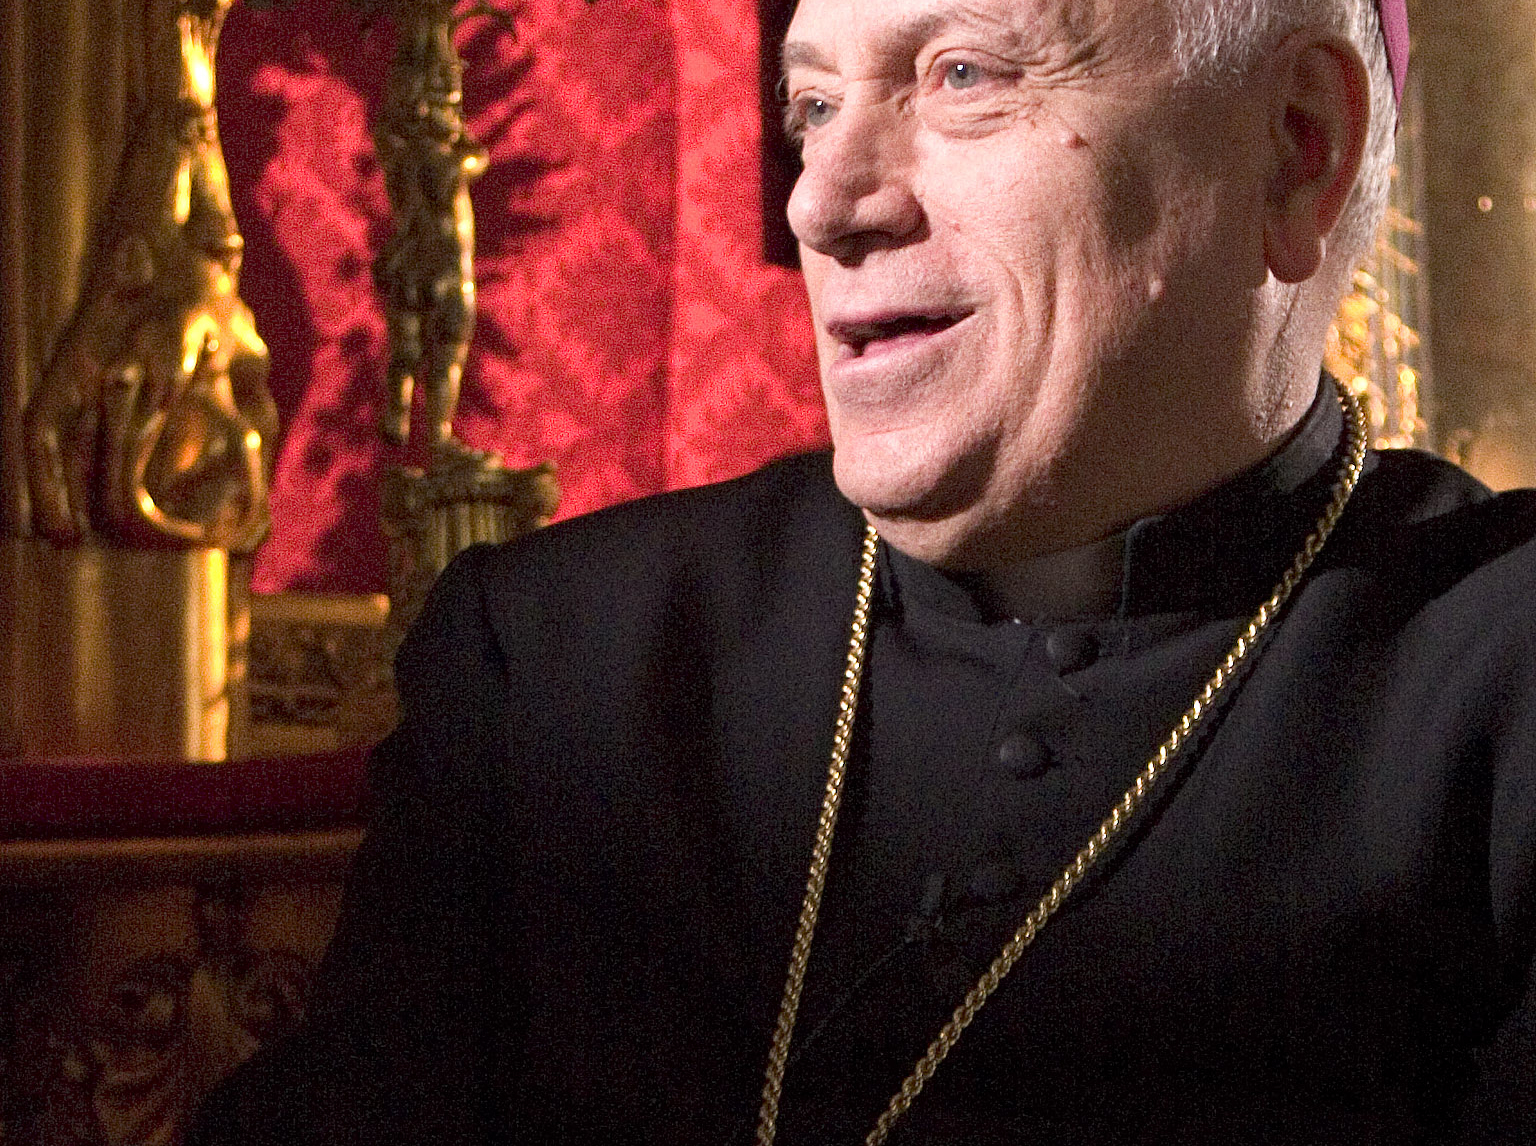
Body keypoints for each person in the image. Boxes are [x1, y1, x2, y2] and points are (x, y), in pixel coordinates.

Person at [192, 0, 1536, 1142]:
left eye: (964, 74)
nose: (821, 203)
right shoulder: (559, 663)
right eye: (814, 107)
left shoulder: (1506, 690)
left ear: (1295, 150)